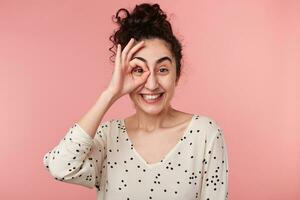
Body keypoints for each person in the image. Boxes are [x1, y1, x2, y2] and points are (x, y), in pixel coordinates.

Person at [43, 3, 229, 200]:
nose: (151, 84)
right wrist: (110, 93)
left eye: (162, 69)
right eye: (139, 70)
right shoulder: (108, 137)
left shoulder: (205, 134)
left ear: (177, 73)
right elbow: (60, 167)